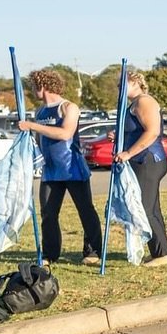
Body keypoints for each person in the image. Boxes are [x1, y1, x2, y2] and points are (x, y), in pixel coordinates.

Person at [17, 68, 102, 266]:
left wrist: (32, 126)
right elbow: (40, 139)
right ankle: (49, 253)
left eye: (34, 86)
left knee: (85, 210)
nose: (32, 91)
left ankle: (93, 251)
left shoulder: (68, 107)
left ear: (43, 85)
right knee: (48, 212)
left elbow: (65, 134)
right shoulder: (39, 111)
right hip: (51, 170)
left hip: (72, 167)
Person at [115, 69, 167, 267]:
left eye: (122, 85)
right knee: (151, 208)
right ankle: (160, 252)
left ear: (134, 83)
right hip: (141, 161)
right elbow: (136, 131)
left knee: (144, 207)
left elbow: (152, 132)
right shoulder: (133, 105)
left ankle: (163, 254)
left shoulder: (144, 101)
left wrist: (128, 153)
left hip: (148, 160)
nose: (119, 89)